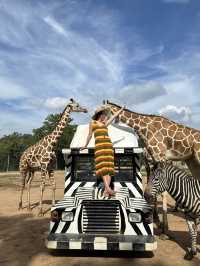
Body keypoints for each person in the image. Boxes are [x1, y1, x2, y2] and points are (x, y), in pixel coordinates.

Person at [81, 105, 124, 196]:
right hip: (99, 147)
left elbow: (113, 117)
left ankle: (105, 191)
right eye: (104, 114)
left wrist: (121, 109)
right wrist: (85, 145)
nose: (105, 116)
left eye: (105, 115)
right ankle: (108, 189)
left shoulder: (105, 124)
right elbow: (89, 135)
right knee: (103, 168)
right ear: (100, 115)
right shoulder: (93, 123)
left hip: (108, 146)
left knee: (108, 169)